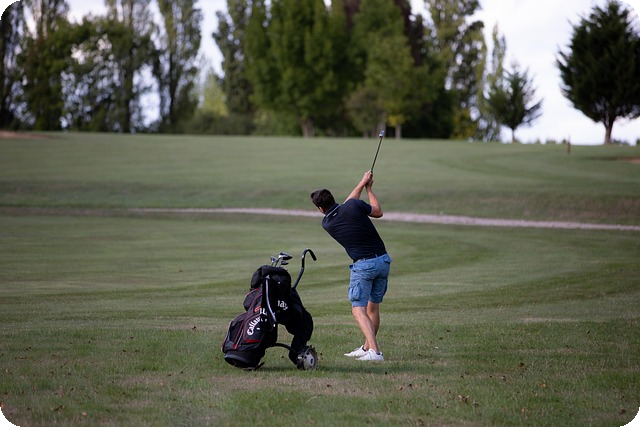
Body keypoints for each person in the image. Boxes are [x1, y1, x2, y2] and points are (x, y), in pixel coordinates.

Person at [310, 171, 391, 361]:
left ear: (320, 208)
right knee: (372, 309)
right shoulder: (353, 206)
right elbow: (377, 211)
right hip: (383, 261)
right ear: (333, 199)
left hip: (364, 266)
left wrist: (363, 184)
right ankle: (367, 348)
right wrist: (368, 187)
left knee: (358, 310)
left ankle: (375, 352)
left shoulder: (328, 223)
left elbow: (348, 205)